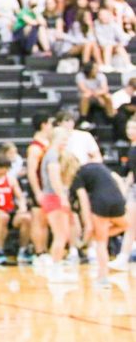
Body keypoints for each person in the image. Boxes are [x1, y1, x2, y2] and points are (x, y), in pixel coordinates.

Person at [70, 160, 128, 288]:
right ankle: (100, 235)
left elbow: (84, 201)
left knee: (101, 242)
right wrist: (123, 198)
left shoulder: (76, 176)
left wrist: (88, 226)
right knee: (126, 226)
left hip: (100, 202)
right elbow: (118, 179)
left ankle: (103, 278)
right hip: (117, 198)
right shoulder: (98, 165)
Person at [39, 127, 79, 283]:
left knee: (62, 234)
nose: (65, 142)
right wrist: (63, 197)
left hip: (52, 197)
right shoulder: (52, 155)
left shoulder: (51, 154)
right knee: (61, 235)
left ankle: (57, 268)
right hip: (54, 198)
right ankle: (55, 271)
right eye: (63, 139)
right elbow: (54, 178)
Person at [0, 152, 31, 265]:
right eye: (2, 168)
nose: (4, 171)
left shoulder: (10, 178)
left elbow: (20, 197)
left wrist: (22, 207)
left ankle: (23, 250)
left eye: (6, 168)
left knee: (26, 218)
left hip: (9, 211)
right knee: (3, 217)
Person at [26, 114, 53, 265]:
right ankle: (38, 252)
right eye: (50, 123)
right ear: (43, 125)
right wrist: (37, 192)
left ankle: (44, 251)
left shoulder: (46, 144)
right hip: (39, 188)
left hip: (47, 187)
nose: (51, 127)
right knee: (38, 220)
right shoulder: (35, 147)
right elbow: (31, 171)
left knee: (45, 221)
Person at [110, 117, 136, 271]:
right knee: (131, 224)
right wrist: (125, 186)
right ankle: (123, 257)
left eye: (134, 128)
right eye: (129, 128)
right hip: (133, 189)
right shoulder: (132, 147)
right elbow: (132, 172)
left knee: (131, 224)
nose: (130, 131)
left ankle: (123, 257)